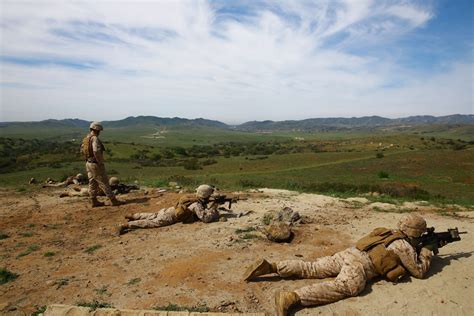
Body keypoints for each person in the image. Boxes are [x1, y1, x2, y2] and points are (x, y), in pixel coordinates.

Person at [243, 213, 434, 316]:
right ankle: (292, 297)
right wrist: (427, 252)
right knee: (344, 287)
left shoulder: (387, 231)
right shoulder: (403, 245)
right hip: (359, 266)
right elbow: (418, 271)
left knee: (313, 267)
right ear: (417, 232)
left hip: (348, 253)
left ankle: (273, 267)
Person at [117, 184, 219, 235]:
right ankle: (127, 225)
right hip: (170, 217)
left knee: (153, 215)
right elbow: (205, 218)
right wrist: (214, 208)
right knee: (151, 223)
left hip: (168, 210)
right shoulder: (197, 204)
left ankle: (134, 216)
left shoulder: (193, 197)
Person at [81, 121, 122, 207]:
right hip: (95, 164)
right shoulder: (95, 138)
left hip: (88, 163)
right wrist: (100, 162)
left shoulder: (86, 138)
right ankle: (113, 200)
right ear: (97, 130)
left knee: (92, 182)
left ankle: (94, 201)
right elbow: (96, 151)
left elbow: (82, 151)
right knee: (104, 182)